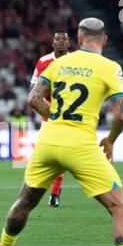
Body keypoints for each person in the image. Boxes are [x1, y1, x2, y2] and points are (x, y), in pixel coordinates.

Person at [0, 18, 123, 246]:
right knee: (119, 205)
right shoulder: (110, 67)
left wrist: (54, 116)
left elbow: (33, 98)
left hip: (49, 140)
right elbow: (121, 116)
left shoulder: (58, 64)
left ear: (78, 40)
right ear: (105, 40)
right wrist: (110, 140)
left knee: (26, 200)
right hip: (81, 144)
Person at [30, 31, 70, 207]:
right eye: (58, 39)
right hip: (50, 114)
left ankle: (55, 193)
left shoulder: (76, 61)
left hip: (70, 115)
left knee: (64, 155)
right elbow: (34, 87)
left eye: (64, 39)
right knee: (46, 155)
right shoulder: (43, 62)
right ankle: (37, 190)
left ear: (68, 43)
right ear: (52, 43)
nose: (61, 42)